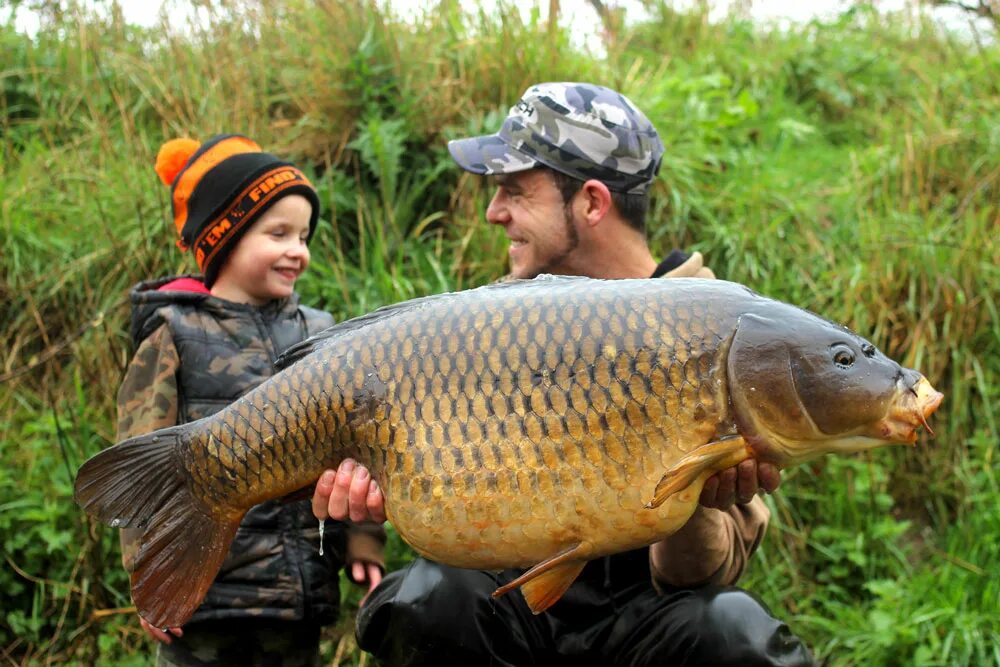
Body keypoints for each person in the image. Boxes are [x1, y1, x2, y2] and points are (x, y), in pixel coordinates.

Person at [312, 83, 816, 666]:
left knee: (734, 632)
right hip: (513, 595)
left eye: (515, 191)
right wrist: (381, 483)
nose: (493, 212)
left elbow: (699, 578)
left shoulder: (727, 331)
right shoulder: (492, 321)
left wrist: (695, 492)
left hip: (644, 618)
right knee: (429, 599)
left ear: (592, 203)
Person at [116, 134, 385, 666]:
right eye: (278, 233)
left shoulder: (324, 336)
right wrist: (152, 574)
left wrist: (363, 543)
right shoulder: (172, 332)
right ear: (223, 238)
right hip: (203, 598)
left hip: (299, 596)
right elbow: (140, 465)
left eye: (304, 236)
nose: (298, 251)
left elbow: (358, 447)